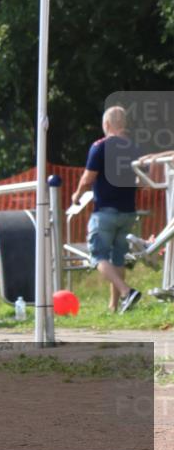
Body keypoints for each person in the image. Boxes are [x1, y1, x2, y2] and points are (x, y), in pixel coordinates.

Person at [72, 106, 141, 313]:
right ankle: (115, 305)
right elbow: (142, 178)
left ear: (107, 124)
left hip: (105, 212)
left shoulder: (100, 146)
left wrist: (76, 194)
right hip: (128, 211)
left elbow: (88, 177)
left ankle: (126, 292)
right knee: (118, 258)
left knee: (98, 256)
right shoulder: (134, 147)